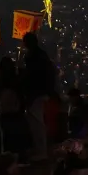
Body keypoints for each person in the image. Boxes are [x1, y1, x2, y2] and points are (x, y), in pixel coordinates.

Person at [22, 32, 56, 162]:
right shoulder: (41, 55)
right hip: (41, 92)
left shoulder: (33, 57)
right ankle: (40, 149)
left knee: (37, 123)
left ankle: (41, 151)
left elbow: (33, 76)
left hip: (36, 93)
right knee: (36, 122)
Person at [0, 56, 31, 162]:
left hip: (6, 113)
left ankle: (9, 162)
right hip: (17, 113)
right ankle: (21, 160)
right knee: (20, 139)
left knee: (8, 140)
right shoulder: (17, 80)